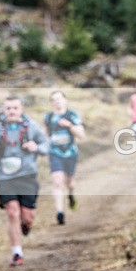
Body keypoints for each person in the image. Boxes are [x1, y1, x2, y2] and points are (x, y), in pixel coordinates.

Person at [0, 96, 49, 267]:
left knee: (28, 216)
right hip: (4, 177)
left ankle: (26, 225)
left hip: (27, 175)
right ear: (4, 110)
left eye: (15, 108)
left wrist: (36, 147)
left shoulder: (31, 126)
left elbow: (46, 145)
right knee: (12, 213)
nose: (11, 111)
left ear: (21, 109)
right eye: (8, 108)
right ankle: (17, 252)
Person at [44, 90, 85, 225]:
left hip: (70, 153)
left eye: (59, 98)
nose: (57, 101)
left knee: (70, 183)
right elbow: (44, 135)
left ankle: (71, 195)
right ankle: (60, 213)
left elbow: (81, 135)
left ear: (65, 100)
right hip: (55, 153)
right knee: (57, 181)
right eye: (54, 99)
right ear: (51, 103)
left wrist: (69, 125)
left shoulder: (72, 115)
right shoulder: (48, 117)